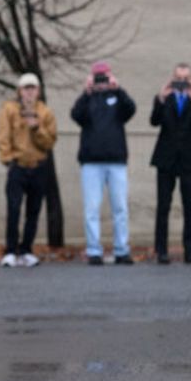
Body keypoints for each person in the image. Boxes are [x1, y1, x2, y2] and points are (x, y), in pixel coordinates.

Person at [70, 61, 136, 266]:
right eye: (97, 77)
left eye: (104, 77)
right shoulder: (88, 100)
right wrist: (86, 92)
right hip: (91, 162)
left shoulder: (117, 98)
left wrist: (119, 89)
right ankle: (94, 250)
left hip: (116, 161)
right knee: (91, 209)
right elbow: (76, 115)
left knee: (120, 208)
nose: (101, 82)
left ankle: (121, 250)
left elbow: (130, 110)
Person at [0, 73, 58, 268]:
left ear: (38, 91)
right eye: (26, 88)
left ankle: (26, 250)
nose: (29, 92)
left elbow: (50, 142)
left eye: (33, 88)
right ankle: (11, 251)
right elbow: (3, 136)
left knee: (34, 210)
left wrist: (36, 127)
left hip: (38, 167)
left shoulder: (45, 112)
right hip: (18, 166)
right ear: (19, 91)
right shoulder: (9, 109)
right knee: (13, 209)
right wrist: (8, 160)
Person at [150, 63, 191, 264]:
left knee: (189, 206)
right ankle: (161, 250)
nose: (182, 83)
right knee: (163, 206)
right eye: (178, 79)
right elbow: (154, 121)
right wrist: (161, 98)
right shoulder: (164, 99)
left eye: (186, 79)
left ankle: (189, 250)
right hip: (166, 158)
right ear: (172, 78)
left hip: (190, 159)